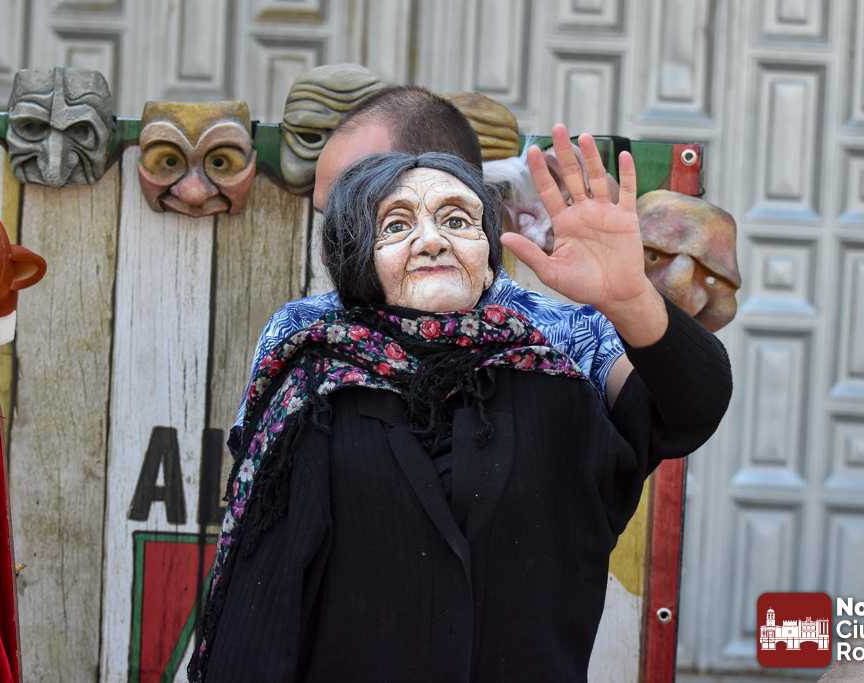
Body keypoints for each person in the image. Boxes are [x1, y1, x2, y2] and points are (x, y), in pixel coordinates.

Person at [189, 130, 731, 681]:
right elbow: (261, 613)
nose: (433, 241)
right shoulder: (315, 391)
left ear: (489, 257)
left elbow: (688, 411)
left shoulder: (557, 383)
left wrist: (630, 297)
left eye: (456, 220)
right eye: (395, 226)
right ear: (357, 260)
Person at [230, 86, 634, 458]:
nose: (330, 252)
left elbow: (660, 422)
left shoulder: (571, 334)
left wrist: (635, 301)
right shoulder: (302, 329)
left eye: (354, 212)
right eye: (328, 220)